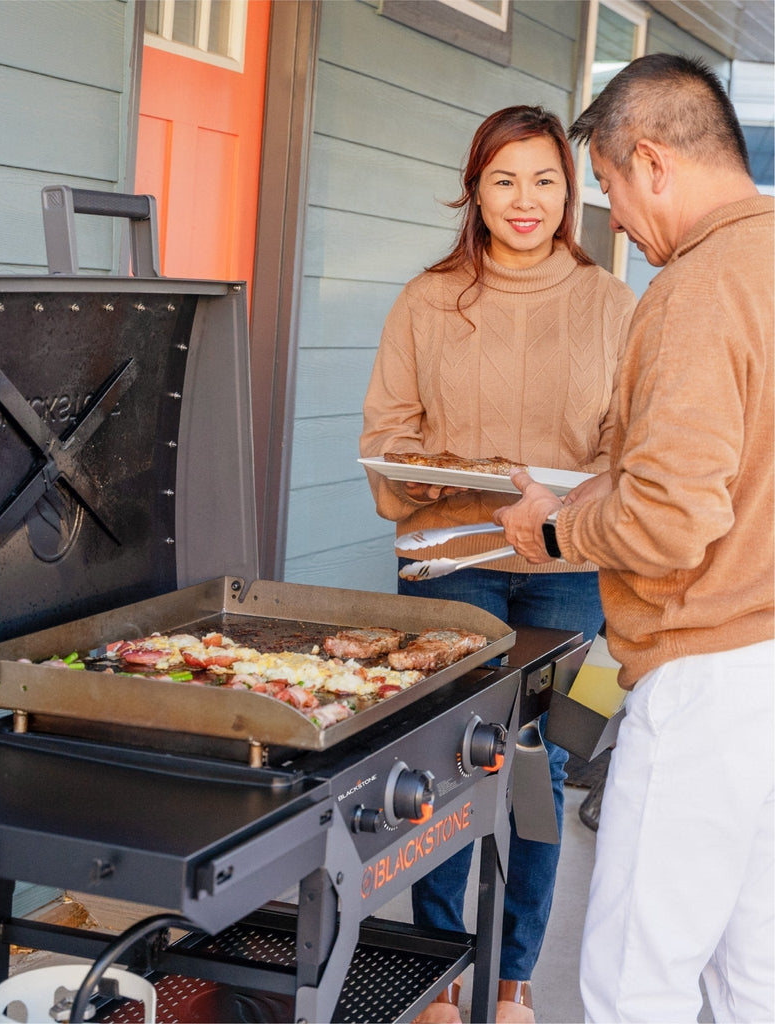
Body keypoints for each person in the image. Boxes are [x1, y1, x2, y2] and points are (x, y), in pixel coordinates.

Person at [494, 55, 774, 1023]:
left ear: (651, 161)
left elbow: (671, 519)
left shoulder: (699, 289)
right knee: (754, 980)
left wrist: (551, 524)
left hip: (707, 679)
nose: (617, 219)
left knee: (633, 986)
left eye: (607, 187)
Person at [360, 106, 637, 1023]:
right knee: (445, 769)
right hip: (450, 570)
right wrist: (459, 486)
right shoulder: (426, 300)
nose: (527, 201)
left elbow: (632, 449)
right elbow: (388, 437)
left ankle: (513, 979)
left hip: (577, 574)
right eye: (505, 180)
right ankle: (442, 975)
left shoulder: (611, 303)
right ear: (474, 189)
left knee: (547, 768)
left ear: (572, 191)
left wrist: (564, 504)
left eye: (546, 180)